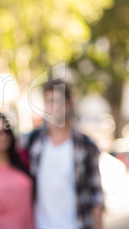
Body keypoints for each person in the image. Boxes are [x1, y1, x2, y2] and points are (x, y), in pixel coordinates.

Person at [27, 79, 104, 229]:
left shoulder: (86, 145)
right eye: (50, 101)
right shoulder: (32, 141)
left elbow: (96, 196)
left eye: (59, 101)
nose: (54, 107)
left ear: (69, 103)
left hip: (78, 224)